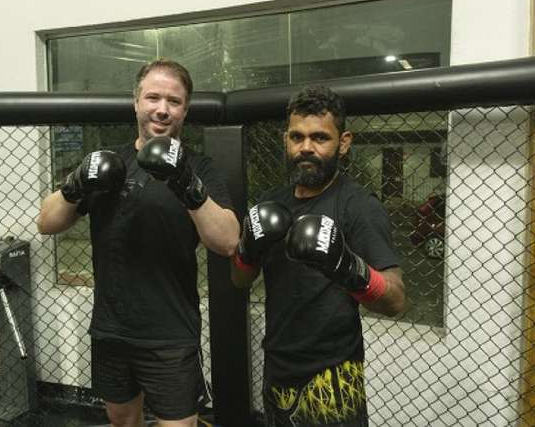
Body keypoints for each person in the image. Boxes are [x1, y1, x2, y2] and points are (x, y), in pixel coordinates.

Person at [38, 59, 239, 427]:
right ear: (136, 102)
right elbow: (47, 222)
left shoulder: (200, 167)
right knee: (122, 421)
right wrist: (77, 181)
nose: (162, 109)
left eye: (174, 102)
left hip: (170, 332)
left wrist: (185, 182)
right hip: (111, 327)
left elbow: (227, 241)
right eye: (153, 98)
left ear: (185, 109)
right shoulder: (109, 162)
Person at [231, 85, 406, 427]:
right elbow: (238, 280)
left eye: (319, 138)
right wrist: (246, 249)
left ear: (343, 143)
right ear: (286, 140)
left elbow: (397, 300)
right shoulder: (271, 202)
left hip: (335, 377)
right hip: (278, 369)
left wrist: (346, 266)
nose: (306, 148)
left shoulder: (358, 207)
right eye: (297, 137)